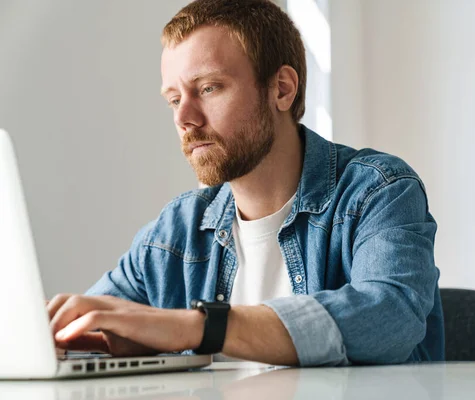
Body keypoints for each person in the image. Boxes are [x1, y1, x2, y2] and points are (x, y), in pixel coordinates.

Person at [46, 0, 444, 366]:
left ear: (282, 89)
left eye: (208, 88)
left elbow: (389, 315)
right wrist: (73, 337)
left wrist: (198, 326)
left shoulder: (378, 191)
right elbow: (91, 324)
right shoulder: (175, 233)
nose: (184, 117)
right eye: (173, 98)